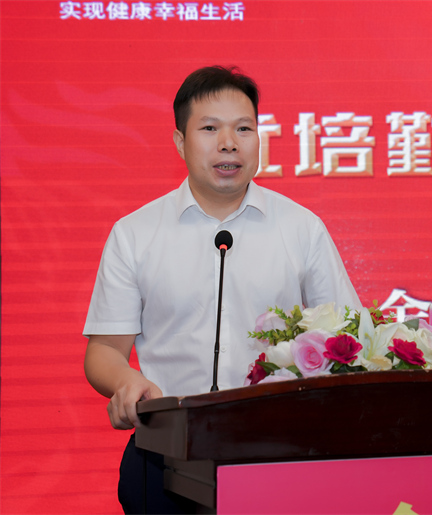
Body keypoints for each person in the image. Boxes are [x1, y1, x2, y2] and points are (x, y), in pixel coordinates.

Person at [83, 66, 361, 513]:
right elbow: (104, 350)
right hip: (166, 451)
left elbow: (349, 339)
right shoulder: (134, 233)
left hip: (280, 452)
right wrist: (126, 380)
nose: (229, 143)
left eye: (244, 129)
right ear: (180, 142)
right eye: (210, 128)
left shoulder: (302, 228)